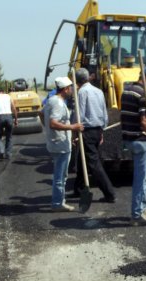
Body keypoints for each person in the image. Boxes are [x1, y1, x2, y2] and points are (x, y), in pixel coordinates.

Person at [120, 66, 146, 225]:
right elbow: (144, 121)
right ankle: (137, 215)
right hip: (141, 141)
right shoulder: (143, 94)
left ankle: (143, 207)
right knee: (141, 178)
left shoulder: (126, 91)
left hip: (128, 139)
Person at [71, 68, 117, 203]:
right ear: (88, 78)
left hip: (87, 131)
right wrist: (101, 131)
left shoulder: (82, 92)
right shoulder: (98, 91)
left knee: (93, 164)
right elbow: (104, 113)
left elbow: (80, 114)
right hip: (97, 130)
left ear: (77, 81)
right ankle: (78, 190)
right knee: (81, 159)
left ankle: (109, 193)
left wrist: (75, 131)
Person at [43, 76, 84, 212]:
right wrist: (73, 127)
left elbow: (41, 114)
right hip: (60, 145)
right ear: (66, 89)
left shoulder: (51, 100)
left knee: (61, 174)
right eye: (70, 88)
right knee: (60, 176)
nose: (72, 90)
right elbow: (53, 123)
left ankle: (59, 201)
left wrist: (66, 134)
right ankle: (57, 203)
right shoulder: (59, 103)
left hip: (58, 141)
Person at [0, 87, 18, 160]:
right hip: (9, 116)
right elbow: (14, 108)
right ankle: (8, 154)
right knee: (9, 136)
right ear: (3, 91)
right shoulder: (9, 96)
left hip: (0, 116)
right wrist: (16, 119)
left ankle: (1, 151)